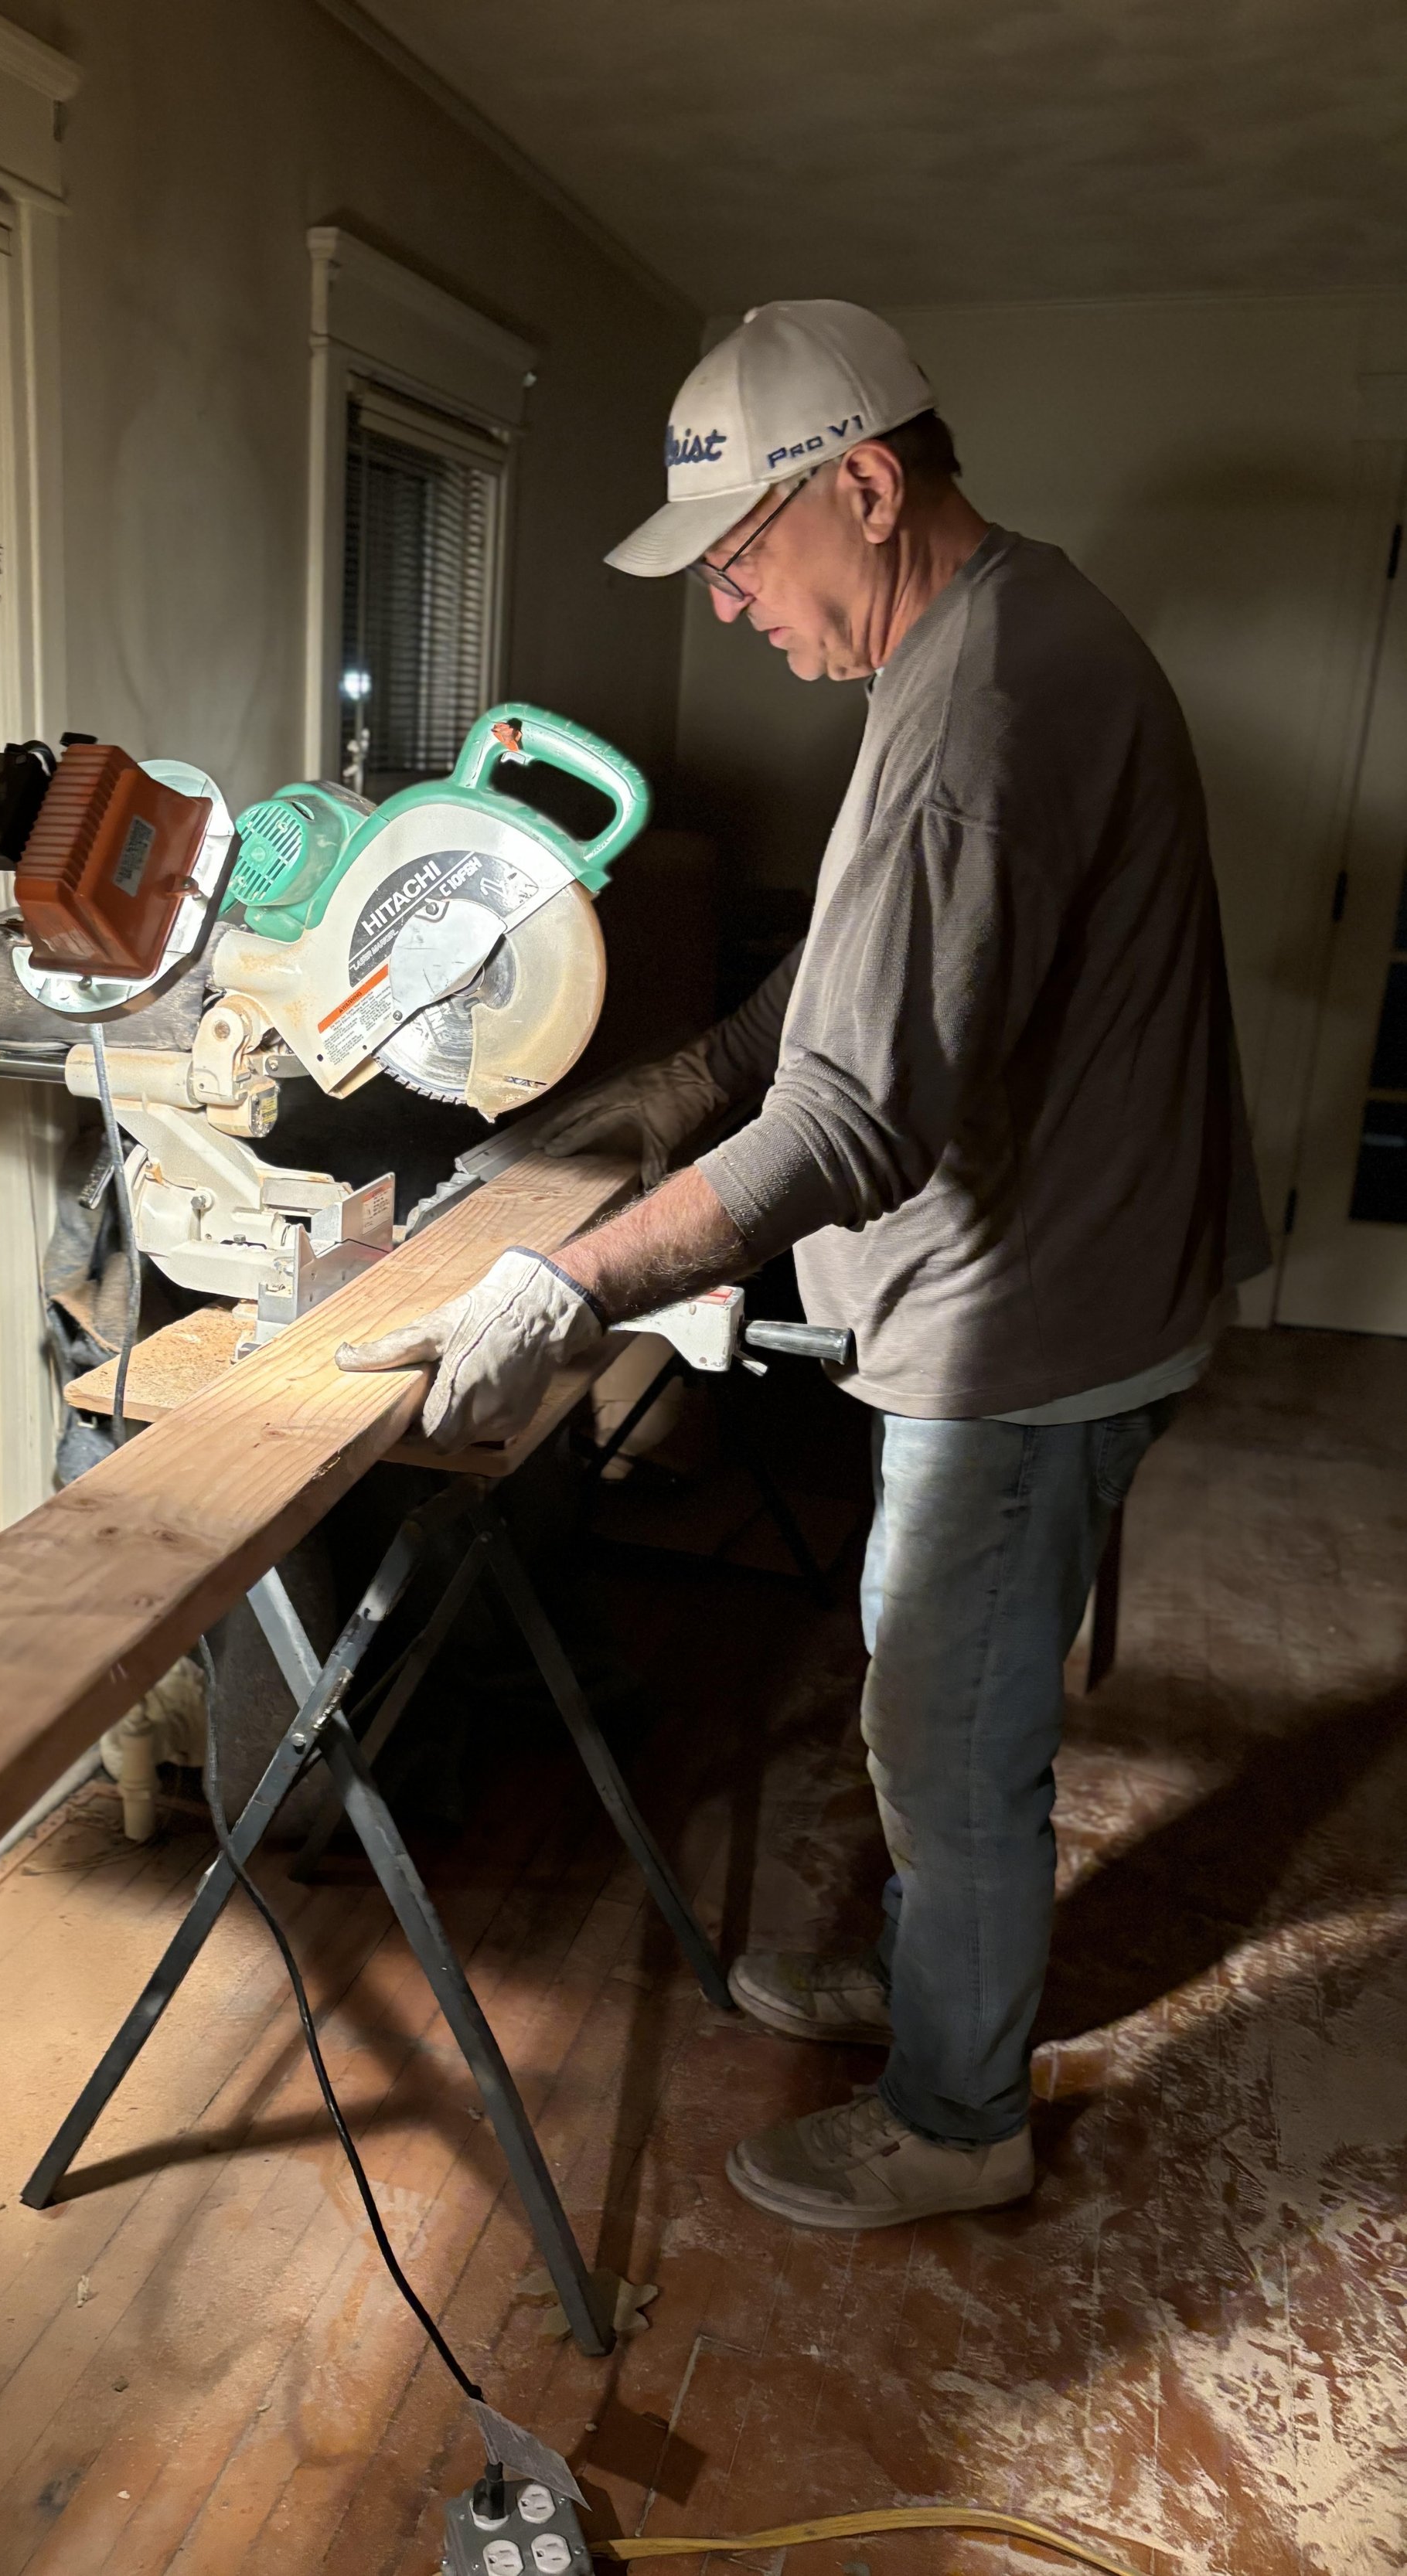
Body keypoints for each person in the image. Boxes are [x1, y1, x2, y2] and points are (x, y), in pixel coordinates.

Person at [337, 299, 1269, 2231]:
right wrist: (665, 1093)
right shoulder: (979, 638)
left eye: (741, 550)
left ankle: (955, 2110)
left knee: (948, 1728)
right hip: (1060, 1276)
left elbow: (849, 1122)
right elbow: (841, 973)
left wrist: (562, 1287)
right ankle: (933, 1982)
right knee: (934, 1692)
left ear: (863, 486)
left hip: (1034, 1325)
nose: (724, 600)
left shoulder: (976, 713)